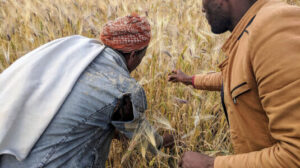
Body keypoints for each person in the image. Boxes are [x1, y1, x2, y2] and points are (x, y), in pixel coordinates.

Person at [0, 14, 173, 168]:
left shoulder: (73, 53)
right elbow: (145, 142)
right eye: (142, 58)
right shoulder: (123, 89)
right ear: (134, 55)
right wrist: (163, 141)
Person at [169, 0, 300, 167]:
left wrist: (211, 164)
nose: (202, 8)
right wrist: (190, 80)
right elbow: (240, 77)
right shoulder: (253, 29)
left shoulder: (274, 27)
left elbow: (295, 155)